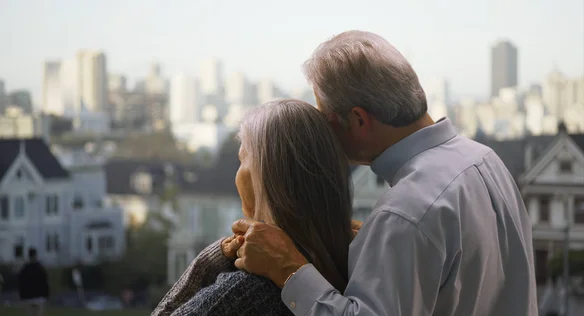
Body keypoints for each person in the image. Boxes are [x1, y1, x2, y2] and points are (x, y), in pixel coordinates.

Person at [232, 30, 538, 316]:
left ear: (359, 120)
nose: (323, 133)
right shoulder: (485, 161)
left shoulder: (405, 213)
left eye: (325, 119)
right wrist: (376, 243)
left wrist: (287, 267)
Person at [152, 99, 358, 315]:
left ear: (263, 177)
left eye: (242, 160)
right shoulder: (359, 276)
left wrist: (211, 261)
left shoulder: (242, 292)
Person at [18, 248, 49, 316]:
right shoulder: (40, 268)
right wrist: (46, 295)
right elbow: (45, 282)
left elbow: (21, 283)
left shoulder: (25, 269)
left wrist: (21, 296)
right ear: (36, 255)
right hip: (39, 297)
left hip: (28, 297)